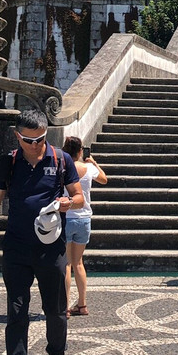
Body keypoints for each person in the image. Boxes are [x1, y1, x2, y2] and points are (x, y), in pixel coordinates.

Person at [0, 109, 83, 355]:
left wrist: (66, 204)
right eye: (29, 139)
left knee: (55, 310)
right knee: (16, 314)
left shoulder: (61, 160)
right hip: (16, 249)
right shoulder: (8, 162)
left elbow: (79, 198)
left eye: (40, 138)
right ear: (17, 136)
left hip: (51, 249)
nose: (36, 145)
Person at [60, 136, 106, 318]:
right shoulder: (88, 168)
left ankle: (64, 306)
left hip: (66, 217)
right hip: (84, 219)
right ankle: (82, 304)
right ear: (80, 152)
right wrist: (94, 162)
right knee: (79, 263)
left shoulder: (61, 168)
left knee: (66, 264)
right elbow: (104, 179)